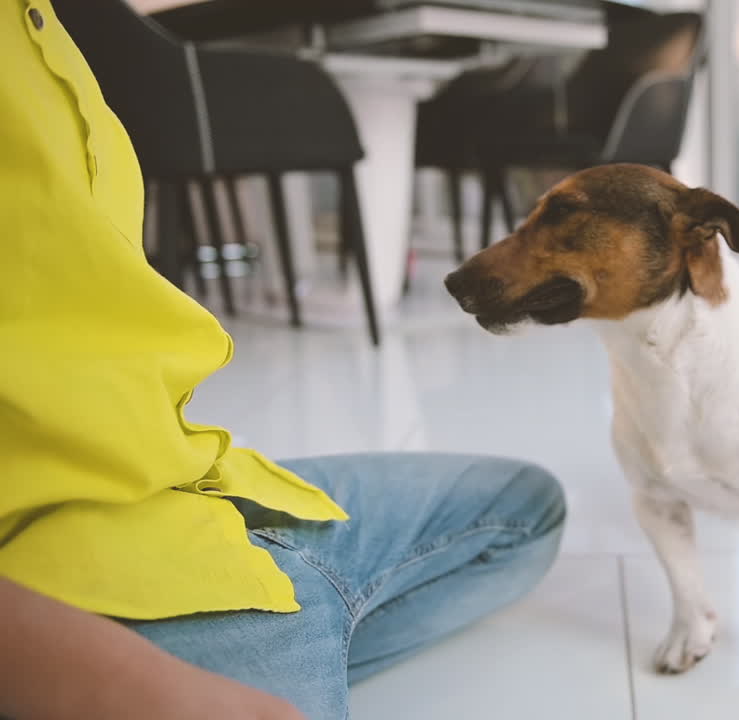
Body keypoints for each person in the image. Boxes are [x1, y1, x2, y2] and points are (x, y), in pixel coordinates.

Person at [0, 3, 566, 718]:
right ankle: (278, 634)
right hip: (70, 596)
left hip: (180, 498)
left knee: (524, 509)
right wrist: (138, 687)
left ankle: (312, 608)